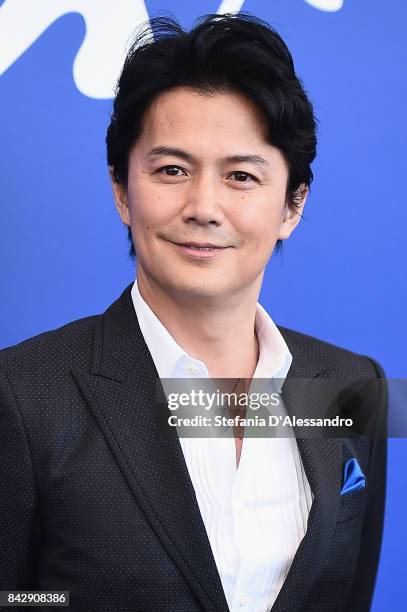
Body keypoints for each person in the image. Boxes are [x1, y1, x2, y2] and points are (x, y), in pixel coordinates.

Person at [0, 12, 387, 612]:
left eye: (240, 175)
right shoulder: (22, 394)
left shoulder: (352, 385)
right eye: (172, 170)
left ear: (292, 205)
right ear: (122, 191)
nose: (204, 206)